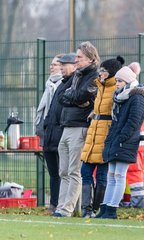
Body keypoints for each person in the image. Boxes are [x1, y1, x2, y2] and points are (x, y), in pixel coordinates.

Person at [53, 41, 100, 217]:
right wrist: (76, 100)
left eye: (79, 57)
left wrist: (77, 99)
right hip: (67, 125)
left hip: (80, 127)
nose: (76, 60)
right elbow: (62, 96)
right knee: (63, 170)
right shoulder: (78, 75)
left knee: (73, 170)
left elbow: (83, 95)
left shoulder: (93, 75)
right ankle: (60, 207)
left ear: (90, 59)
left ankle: (67, 209)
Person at [99, 62, 144, 219]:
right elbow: (116, 122)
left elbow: (134, 122)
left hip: (125, 142)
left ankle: (112, 209)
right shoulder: (120, 98)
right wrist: (111, 139)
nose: (117, 84)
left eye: (119, 81)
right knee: (111, 176)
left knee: (120, 176)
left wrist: (121, 138)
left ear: (127, 81)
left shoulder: (138, 97)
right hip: (116, 141)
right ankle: (105, 208)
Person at [80, 56, 125, 218]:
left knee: (101, 175)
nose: (100, 73)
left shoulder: (116, 88)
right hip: (94, 132)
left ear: (111, 73)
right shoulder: (100, 86)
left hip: (106, 133)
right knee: (85, 171)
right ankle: (86, 208)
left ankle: (96, 209)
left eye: (103, 71)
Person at [42, 53, 76, 214]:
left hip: (62, 136)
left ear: (74, 65)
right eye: (59, 64)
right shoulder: (61, 84)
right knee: (55, 174)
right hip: (50, 137)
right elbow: (50, 112)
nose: (60, 67)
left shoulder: (73, 83)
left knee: (66, 173)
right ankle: (55, 204)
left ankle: (63, 206)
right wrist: (45, 129)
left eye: (63, 64)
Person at [35, 54, 64, 146]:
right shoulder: (49, 84)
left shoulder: (64, 84)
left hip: (57, 129)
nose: (51, 67)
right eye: (51, 64)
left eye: (55, 65)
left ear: (62, 66)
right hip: (46, 128)